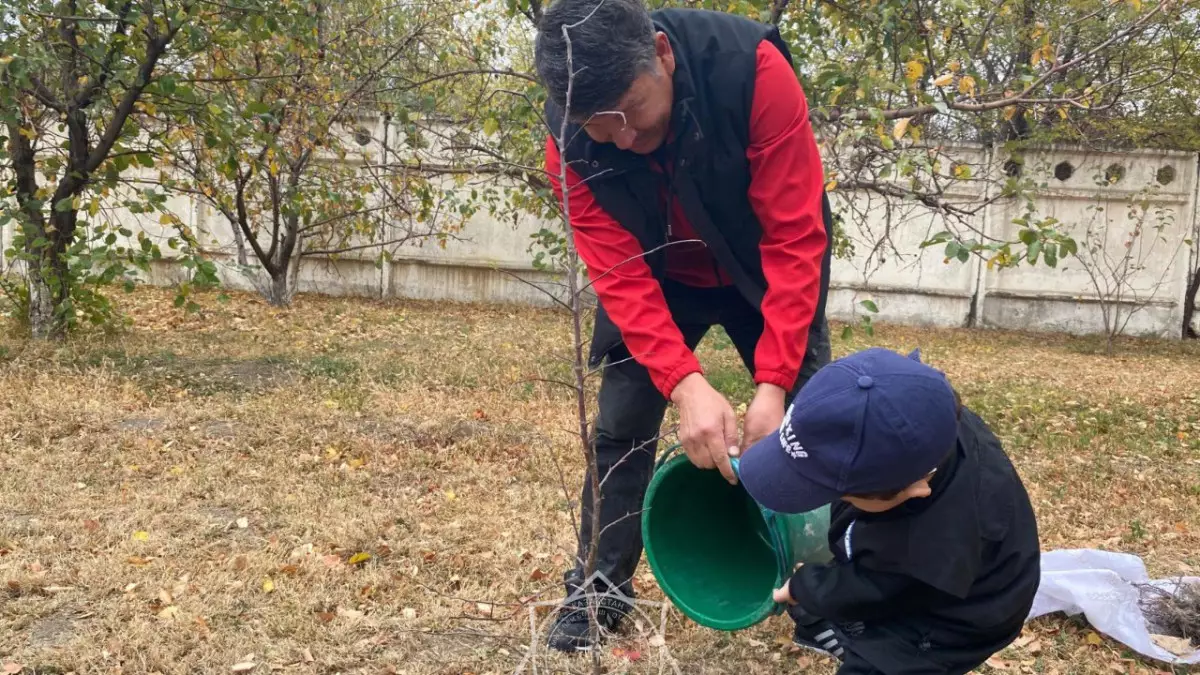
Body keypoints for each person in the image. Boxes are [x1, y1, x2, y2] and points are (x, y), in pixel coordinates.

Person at [533, 0, 834, 652]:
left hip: (762, 267)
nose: (622, 140)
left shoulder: (753, 72)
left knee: (816, 421)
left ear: (663, 56)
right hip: (660, 274)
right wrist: (683, 382)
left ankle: (831, 589)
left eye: (634, 113)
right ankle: (598, 589)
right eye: (599, 127)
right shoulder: (568, 142)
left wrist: (775, 382)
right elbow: (618, 275)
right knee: (619, 427)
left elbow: (794, 237)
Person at [737, 347, 1042, 675]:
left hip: (959, 617)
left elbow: (874, 585)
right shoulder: (925, 412)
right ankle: (837, 622)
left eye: (844, 494)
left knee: (879, 663)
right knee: (835, 583)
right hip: (916, 568)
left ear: (915, 489)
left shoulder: (923, 544)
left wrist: (803, 587)